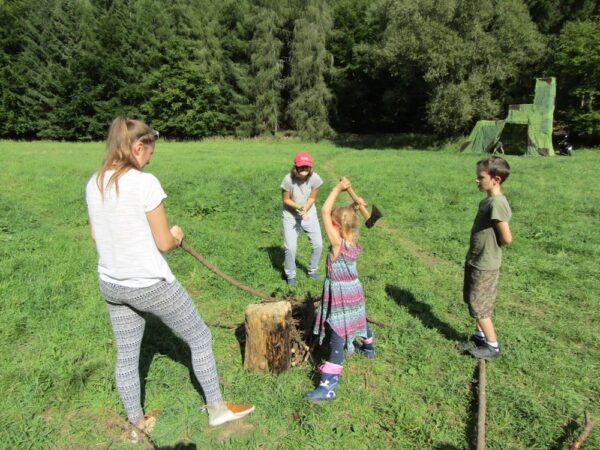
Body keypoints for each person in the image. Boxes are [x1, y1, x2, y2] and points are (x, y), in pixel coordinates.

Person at [85, 117, 254, 437]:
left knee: (126, 354)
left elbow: (97, 236)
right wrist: (175, 234)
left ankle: (136, 424)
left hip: (111, 284)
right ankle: (217, 410)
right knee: (201, 338)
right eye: (149, 151)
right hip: (150, 285)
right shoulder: (145, 183)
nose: (150, 157)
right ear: (137, 146)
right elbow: (164, 242)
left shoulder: (95, 183)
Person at [305, 177, 374, 401]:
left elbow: (324, 212)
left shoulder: (338, 245)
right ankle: (369, 347)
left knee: (337, 336)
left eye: (333, 222)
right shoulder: (352, 242)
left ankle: (328, 387)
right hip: (354, 290)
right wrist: (354, 208)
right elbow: (343, 219)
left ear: (336, 227)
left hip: (341, 296)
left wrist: (337, 188)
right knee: (358, 319)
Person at [458, 156, 512, 360]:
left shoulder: (497, 204)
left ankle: (492, 346)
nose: (477, 180)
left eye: (481, 177)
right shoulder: (488, 201)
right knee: (474, 301)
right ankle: (480, 337)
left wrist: (490, 247)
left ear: (496, 180)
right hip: (476, 259)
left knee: (481, 307)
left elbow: (506, 237)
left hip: (485, 264)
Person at [280, 151, 324, 286]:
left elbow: (312, 197)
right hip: (291, 216)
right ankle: (291, 275)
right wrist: (299, 207)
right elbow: (286, 199)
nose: (304, 169)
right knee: (290, 247)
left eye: (306, 166)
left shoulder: (315, 178)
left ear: (310, 167)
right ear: (295, 167)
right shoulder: (288, 180)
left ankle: (312, 270)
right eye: (301, 166)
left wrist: (306, 207)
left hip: (309, 213)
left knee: (318, 244)